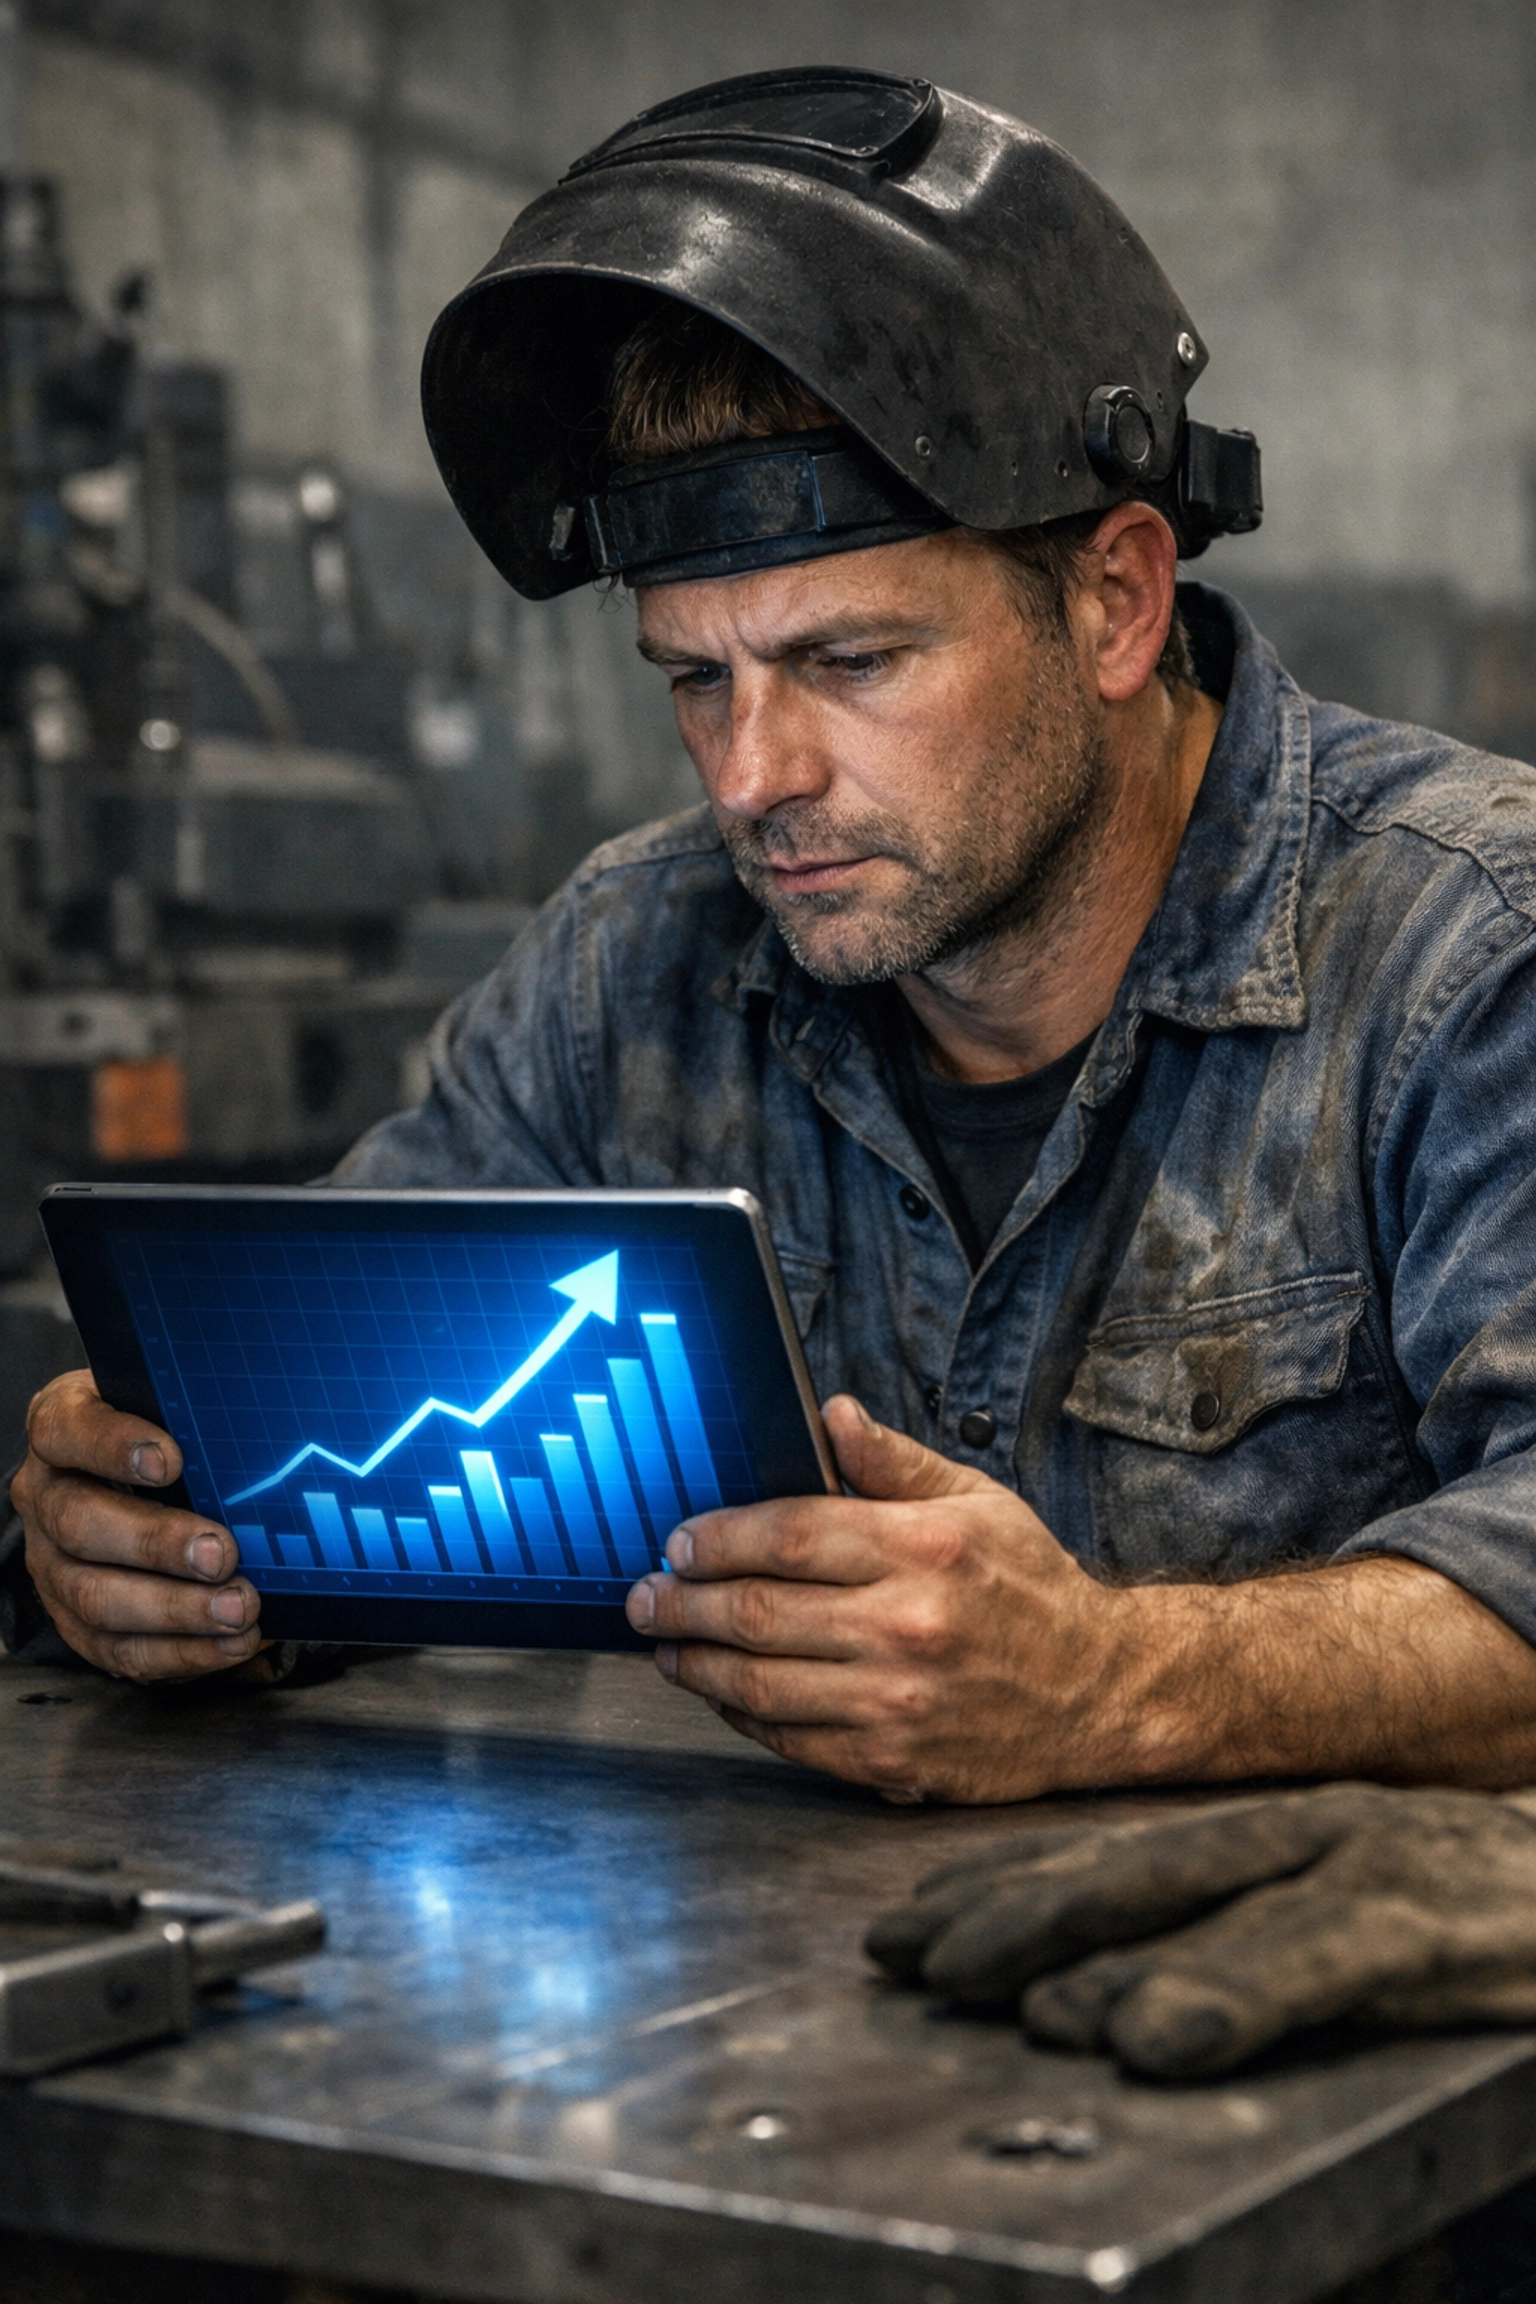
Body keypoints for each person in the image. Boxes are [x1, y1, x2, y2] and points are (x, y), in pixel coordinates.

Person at [11, 67, 1536, 1809]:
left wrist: (1122, 1682)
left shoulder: (1467, 959)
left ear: (1116, 601)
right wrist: (146, 1548)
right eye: (694, 679)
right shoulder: (627, 972)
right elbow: (312, 1450)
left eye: (848, 662)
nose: (753, 779)